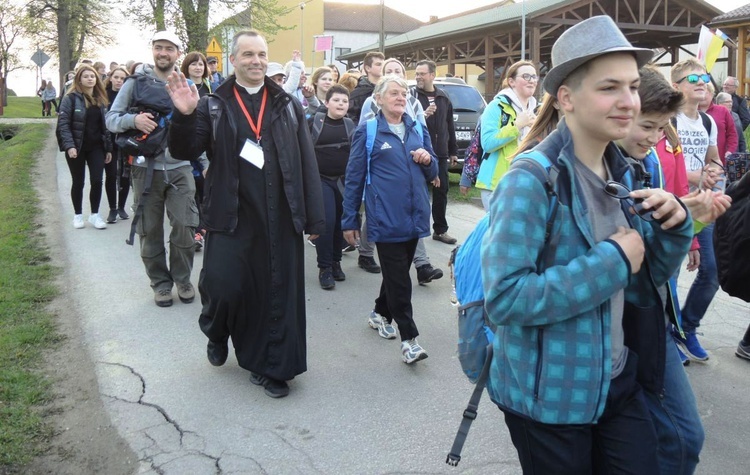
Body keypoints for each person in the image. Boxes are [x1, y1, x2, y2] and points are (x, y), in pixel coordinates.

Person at [482, 16, 693, 473]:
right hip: (549, 397)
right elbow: (505, 298)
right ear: (566, 98)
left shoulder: (625, 173)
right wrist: (613, 260)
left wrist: (677, 227)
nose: (628, 102)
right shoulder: (530, 179)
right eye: (609, 88)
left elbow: (641, 284)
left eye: (633, 87)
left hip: (616, 379)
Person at [165, 30, 325, 398]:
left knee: (275, 291)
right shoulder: (212, 104)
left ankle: (272, 368)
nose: (256, 61)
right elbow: (185, 148)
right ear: (233, 61)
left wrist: (315, 218)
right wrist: (185, 115)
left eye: (262, 54)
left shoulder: (286, 104)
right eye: (248, 54)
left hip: (279, 215)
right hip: (231, 214)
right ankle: (217, 330)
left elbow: (305, 161)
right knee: (223, 286)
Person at [615, 65, 710, 475]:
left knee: (683, 438)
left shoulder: (647, 159)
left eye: (662, 127)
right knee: (672, 437)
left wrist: (689, 223)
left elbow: (653, 258)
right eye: (649, 125)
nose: (655, 137)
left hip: (650, 314)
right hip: (615, 326)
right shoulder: (575, 167)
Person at [342, 76, 438, 364]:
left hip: (415, 214)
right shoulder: (368, 131)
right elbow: (354, 177)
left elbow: (433, 168)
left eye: (404, 93)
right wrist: (349, 220)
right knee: (400, 281)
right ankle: (409, 339)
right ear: (378, 99)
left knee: (396, 275)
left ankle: (379, 313)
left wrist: (426, 159)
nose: (400, 97)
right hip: (385, 218)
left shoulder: (417, 127)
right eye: (393, 93)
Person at [106, 31, 199, 308]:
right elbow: (112, 118)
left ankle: (182, 279)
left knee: (185, 226)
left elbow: (198, 128)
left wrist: (204, 164)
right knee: (150, 230)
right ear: (152, 51)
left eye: (169, 49)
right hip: (145, 169)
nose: (163, 53)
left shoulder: (187, 84)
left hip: (181, 167)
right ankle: (160, 283)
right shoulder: (135, 84)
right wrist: (134, 120)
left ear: (177, 53)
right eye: (159, 47)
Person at [356, 58, 443, 284]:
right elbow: (362, 147)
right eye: (389, 71)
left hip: (412, 183)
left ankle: (422, 265)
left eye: (399, 71)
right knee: (376, 219)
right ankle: (366, 253)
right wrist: (349, 218)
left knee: (398, 270)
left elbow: (425, 140)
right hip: (383, 188)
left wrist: (429, 164)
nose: (400, 98)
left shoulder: (412, 108)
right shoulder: (370, 111)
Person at [671, 58, 721, 363]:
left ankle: (687, 328)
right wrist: (695, 176)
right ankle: (669, 335)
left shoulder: (707, 121)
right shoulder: (669, 119)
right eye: (693, 79)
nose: (702, 82)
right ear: (676, 86)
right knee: (670, 275)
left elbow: (713, 158)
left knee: (712, 272)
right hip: (675, 204)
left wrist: (714, 171)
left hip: (703, 204)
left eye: (704, 77)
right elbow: (666, 167)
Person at [475, 60, 538, 210]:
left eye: (534, 76)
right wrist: (517, 125)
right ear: (511, 81)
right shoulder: (496, 106)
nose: (532, 81)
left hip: (525, 182)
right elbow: (488, 143)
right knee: (500, 232)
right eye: (526, 76)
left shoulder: (536, 109)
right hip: (497, 184)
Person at [308, 84, 354, 289]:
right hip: (320, 179)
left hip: (343, 181)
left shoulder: (351, 125)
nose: (341, 104)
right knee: (326, 222)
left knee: (340, 224)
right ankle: (324, 268)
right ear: (326, 103)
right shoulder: (315, 122)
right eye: (336, 100)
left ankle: (336, 262)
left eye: (344, 101)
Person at [56, 65, 113, 230]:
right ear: (79, 79)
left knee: (97, 180)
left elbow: (106, 126)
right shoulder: (71, 99)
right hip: (77, 147)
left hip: (96, 147)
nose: (90, 79)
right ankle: (78, 215)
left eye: (93, 76)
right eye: (86, 76)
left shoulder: (101, 100)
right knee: (78, 181)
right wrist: (69, 146)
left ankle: (95, 215)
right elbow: (63, 125)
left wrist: (108, 148)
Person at [413, 59, 459, 245]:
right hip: (418, 152)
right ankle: (413, 229)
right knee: (417, 191)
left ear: (432, 75)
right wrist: (423, 114)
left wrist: (453, 151)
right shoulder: (411, 96)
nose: (418, 77)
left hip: (439, 154)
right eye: (416, 74)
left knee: (441, 191)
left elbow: (449, 125)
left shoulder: (444, 97)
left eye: (422, 74)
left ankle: (440, 230)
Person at [180, 51, 212, 250]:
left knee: (205, 192)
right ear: (187, 67)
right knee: (192, 192)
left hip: (210, 144)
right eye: (194, 64)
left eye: (201, 64)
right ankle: (196, 231)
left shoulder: (212, 87)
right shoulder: (182, 87)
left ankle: (204, 228)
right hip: (191, 145)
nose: (198, 67)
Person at [103, 66, 131, 223]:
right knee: (111, 174)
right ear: (111, 78)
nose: (119, 81)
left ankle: (121, 206)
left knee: (125, 175)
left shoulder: (128, 96)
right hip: (109, 141)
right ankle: (112, 208)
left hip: (125, 140)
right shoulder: (104, 96)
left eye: (122, 78)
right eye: (117, 77)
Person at [699, 82, 738, 160]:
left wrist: (730, 151)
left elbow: (732, 133)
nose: (702, 96)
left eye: (705, 92)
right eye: (700, 92)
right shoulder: (690, 111)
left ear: (712, 94)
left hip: (719, 160)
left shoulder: (722, 111)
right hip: (696, 161)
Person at [347, 51, 384, 120]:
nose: (382, 67)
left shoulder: (388, 90)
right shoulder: (357, 94)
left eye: (383, 64)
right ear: (367, 68)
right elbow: (351, 118)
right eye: (378, 64)